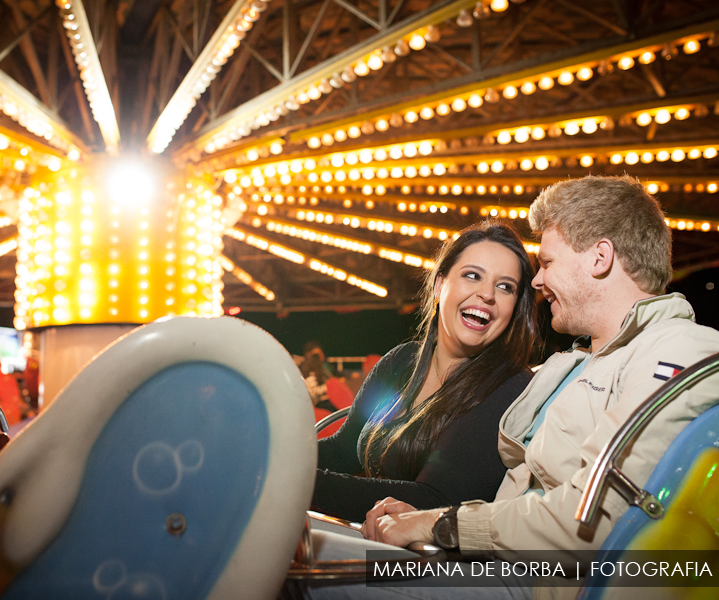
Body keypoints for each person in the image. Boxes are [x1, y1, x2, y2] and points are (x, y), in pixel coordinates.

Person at [293, 175, 719, 599]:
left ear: (599, 258)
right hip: (483, 562)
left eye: (547, 263)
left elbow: (591, 514)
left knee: (288, 569)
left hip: (531, 580)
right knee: (288, 552)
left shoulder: (679, 350)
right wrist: (433, 518)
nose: (537, 281)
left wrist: (438, 521)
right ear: (441, 284)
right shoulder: (572, 366)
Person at [312, 221, 538, 522]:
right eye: (473, 276)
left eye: (505, 287)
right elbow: (343, 450)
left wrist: (298, 484)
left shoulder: (509, 386)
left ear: (514, 308)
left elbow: (436, 500)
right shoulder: (401, 361)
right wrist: (269, 457)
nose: (487, 295)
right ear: (439, 285)